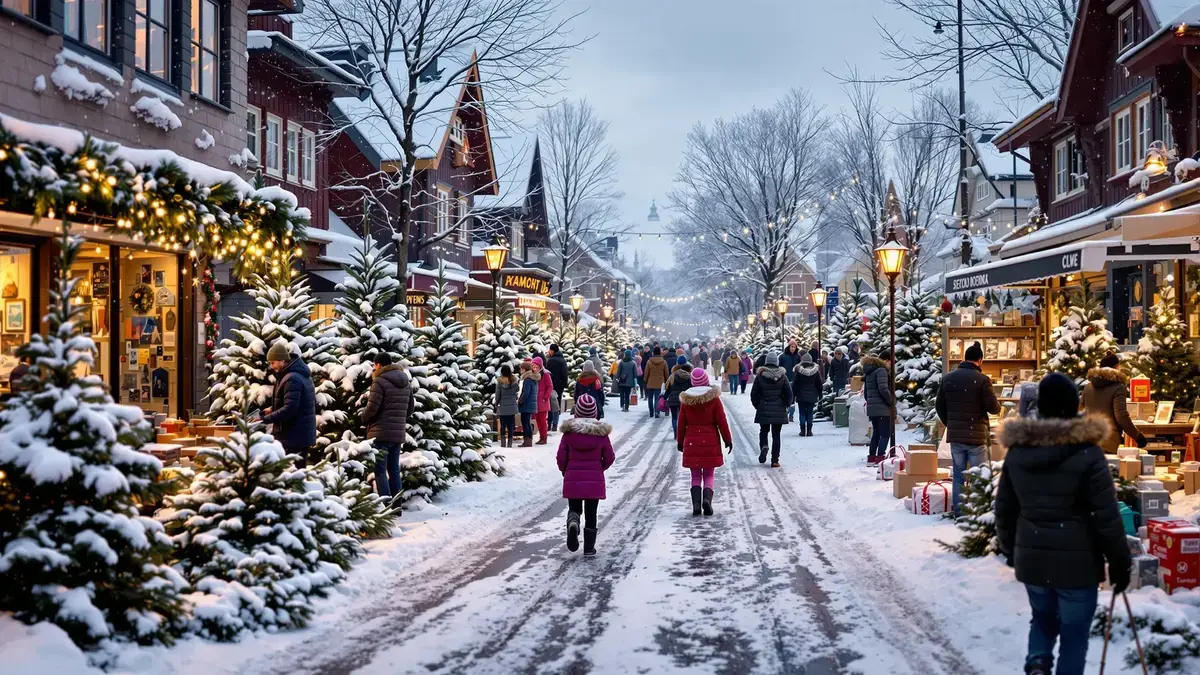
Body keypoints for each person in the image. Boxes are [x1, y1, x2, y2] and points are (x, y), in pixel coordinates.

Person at [994, 373, 1130, 675]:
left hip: (1033, 559)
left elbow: (1004, 509)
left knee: (1042, 618)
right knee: (1074, 634)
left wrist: (1011, 549)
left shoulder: (1018, 451)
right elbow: (1106, 514)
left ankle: (1038, 662)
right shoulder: (1089, 453)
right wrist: (1120, 561)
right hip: (1078, 564)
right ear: (1073, 405)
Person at [935, 341, 1002, 514]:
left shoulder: (948, 378)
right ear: (980, 360)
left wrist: (951, 424)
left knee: (958, 476)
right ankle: (980, 513)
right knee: (980, 476)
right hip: (977, 437)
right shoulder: (982, 380)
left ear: (965, 358)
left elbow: (939, 406)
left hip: (956, 437)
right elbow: (994, 408)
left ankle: (960, 513)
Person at [556, 393, 615, 558]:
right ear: (594, 412)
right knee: (591, 513)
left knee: (574, 508)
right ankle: (589, 548)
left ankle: (573, 522)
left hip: (573, 479)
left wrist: (564, 470)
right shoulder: (601, 434)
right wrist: (600, 468)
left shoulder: (568, 434)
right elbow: (610, 457)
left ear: (577, 412)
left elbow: (561, 456)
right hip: (593, 481)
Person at [677, 368, 733, 516]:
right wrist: (727, 439)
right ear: (706, 381)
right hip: (710, 440)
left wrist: (680, 440)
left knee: (695, 475)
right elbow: (722, 420)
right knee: (709, 474)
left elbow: (681, 422)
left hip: (692, 441)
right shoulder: (714, 398)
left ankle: (696, 504)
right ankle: (707, 500)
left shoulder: (686, 400)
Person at [361, 352, 413, 499]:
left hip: (380, 433)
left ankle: (386, 505)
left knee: (380, 471)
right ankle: (397, 505)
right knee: (394, 470)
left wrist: (363, 417)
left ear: (379, 365)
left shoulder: (379, 381)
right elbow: (410, 408)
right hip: (397, 434)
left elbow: (372, 408)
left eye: (374, 365)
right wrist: (398, 419)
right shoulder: (406, 382)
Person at [261, 341, 317, 467]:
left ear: (282, 360)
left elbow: (290, 409)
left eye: (273, 362)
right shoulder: (292, 375)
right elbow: (293, 402)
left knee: (293, 475)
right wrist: (272, 409)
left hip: (293, 437)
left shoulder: (292, 378)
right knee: (297, 473)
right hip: (297, 435)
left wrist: (266, 419)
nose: (272, 366)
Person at [1082, 353, 1146, 453]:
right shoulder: (1118, 387)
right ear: (1116, 367)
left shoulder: (1088, 387)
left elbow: (1080, 413)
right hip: (1108, 439)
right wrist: (1137, 436)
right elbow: (1121, 417)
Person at [750, 353, 792, 467]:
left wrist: (758, 405)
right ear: (776, 363)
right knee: (776, 434)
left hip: (764, 407)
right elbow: (789, 393)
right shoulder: (782, 376)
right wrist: (786, 405)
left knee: (764, 431)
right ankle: (775, 460)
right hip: (779, 409)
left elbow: (754, 393)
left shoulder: (760, 376)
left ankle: (764, 445)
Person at [860, 350, 894, 464]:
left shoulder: (869, 372)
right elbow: (883, 389)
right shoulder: (882, 371)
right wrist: (890, 401)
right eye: (890, 362)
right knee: (885, 434)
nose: (891, 364)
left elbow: (866, 393)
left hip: (872, 408)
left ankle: (871, 457)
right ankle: (880, 458)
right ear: (886, 360)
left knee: (876, 433)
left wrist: (871, 402)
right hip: (882, 408)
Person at [792, 353, 822, 437]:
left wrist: (793, 395)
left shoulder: (799, 371)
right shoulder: (815, 371)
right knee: (810, 412)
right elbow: (819, 384)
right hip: (812, 395)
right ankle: (809, 430)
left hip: (801, 395)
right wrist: (820, 394)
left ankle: (802, 431)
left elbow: (795, 384)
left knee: (802, 413)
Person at [665, 355, 693, 436]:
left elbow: (668, 386)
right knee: (683, 417)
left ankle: (675, 432)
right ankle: (682, 432)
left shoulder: (673, 374)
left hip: (673, 399)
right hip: (684, 398)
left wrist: (665, 397)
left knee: (674, 417)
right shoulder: (689, 375)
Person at [494, 364, 520, 448]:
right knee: (510, 425)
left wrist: (496, 403)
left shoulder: (499, 383)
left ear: (502, 372)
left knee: (503, 425)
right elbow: (516, 393)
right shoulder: (514, 382)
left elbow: (498, 395)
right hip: (512, 406)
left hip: (503, 406)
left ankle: (503, 443)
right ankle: (510, 443)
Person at [545, 344, 570, 432]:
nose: (549, 352)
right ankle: (555, 424)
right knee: (557, 405)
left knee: (550, 405)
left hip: (551, 386)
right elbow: (565, 374)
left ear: (552, 351)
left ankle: (549, 424)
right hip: (559, 386)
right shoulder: (562, 360)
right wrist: (563, 384)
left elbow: (547, 374)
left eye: (550, 350)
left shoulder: (551, 360)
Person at [779, 340, 803, 423]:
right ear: (788, 347)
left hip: (795, 380)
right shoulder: (783, 356)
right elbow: (779, 367)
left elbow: (800, 368)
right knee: (785, 397)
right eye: (791, 346)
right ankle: (786, 411)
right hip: (785, 379)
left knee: (792, 398)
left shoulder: (798, 357)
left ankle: (791, 415)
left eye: (794, 347)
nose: (793, 348)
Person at [517, 361, 540, 447]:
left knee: (525, 422)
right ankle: (529, 440)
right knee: (527, 422)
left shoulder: (527, 380)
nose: (520, 371)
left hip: (527, 404)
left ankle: (527, 441)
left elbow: (526, 393)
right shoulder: (533, 379)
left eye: (521, 369)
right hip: (531, 404)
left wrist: (520, 400)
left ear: (524, 369)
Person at [642, 347, 669, 418]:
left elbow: (646, 372)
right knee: (657, 398)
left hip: (650, 382)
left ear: (653, 353)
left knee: (650, 398)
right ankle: (657, 412)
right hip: (660, 383)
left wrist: (645, 380)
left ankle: (651, 412)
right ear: (660, 353)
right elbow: (666, 373)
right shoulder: (663, 362)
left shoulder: (649, 361)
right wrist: (666, 381)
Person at [532, 356, 553, 444]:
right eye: (533, 367)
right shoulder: (533, 375)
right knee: (538, 421)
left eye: (536, 367)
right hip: (535, 402)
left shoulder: (545, 374)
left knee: (543, 421)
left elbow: (550, 386)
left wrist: (545, 397)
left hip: (543, 402)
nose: (535, 369)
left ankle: (544, 438)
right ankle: (541, 437)